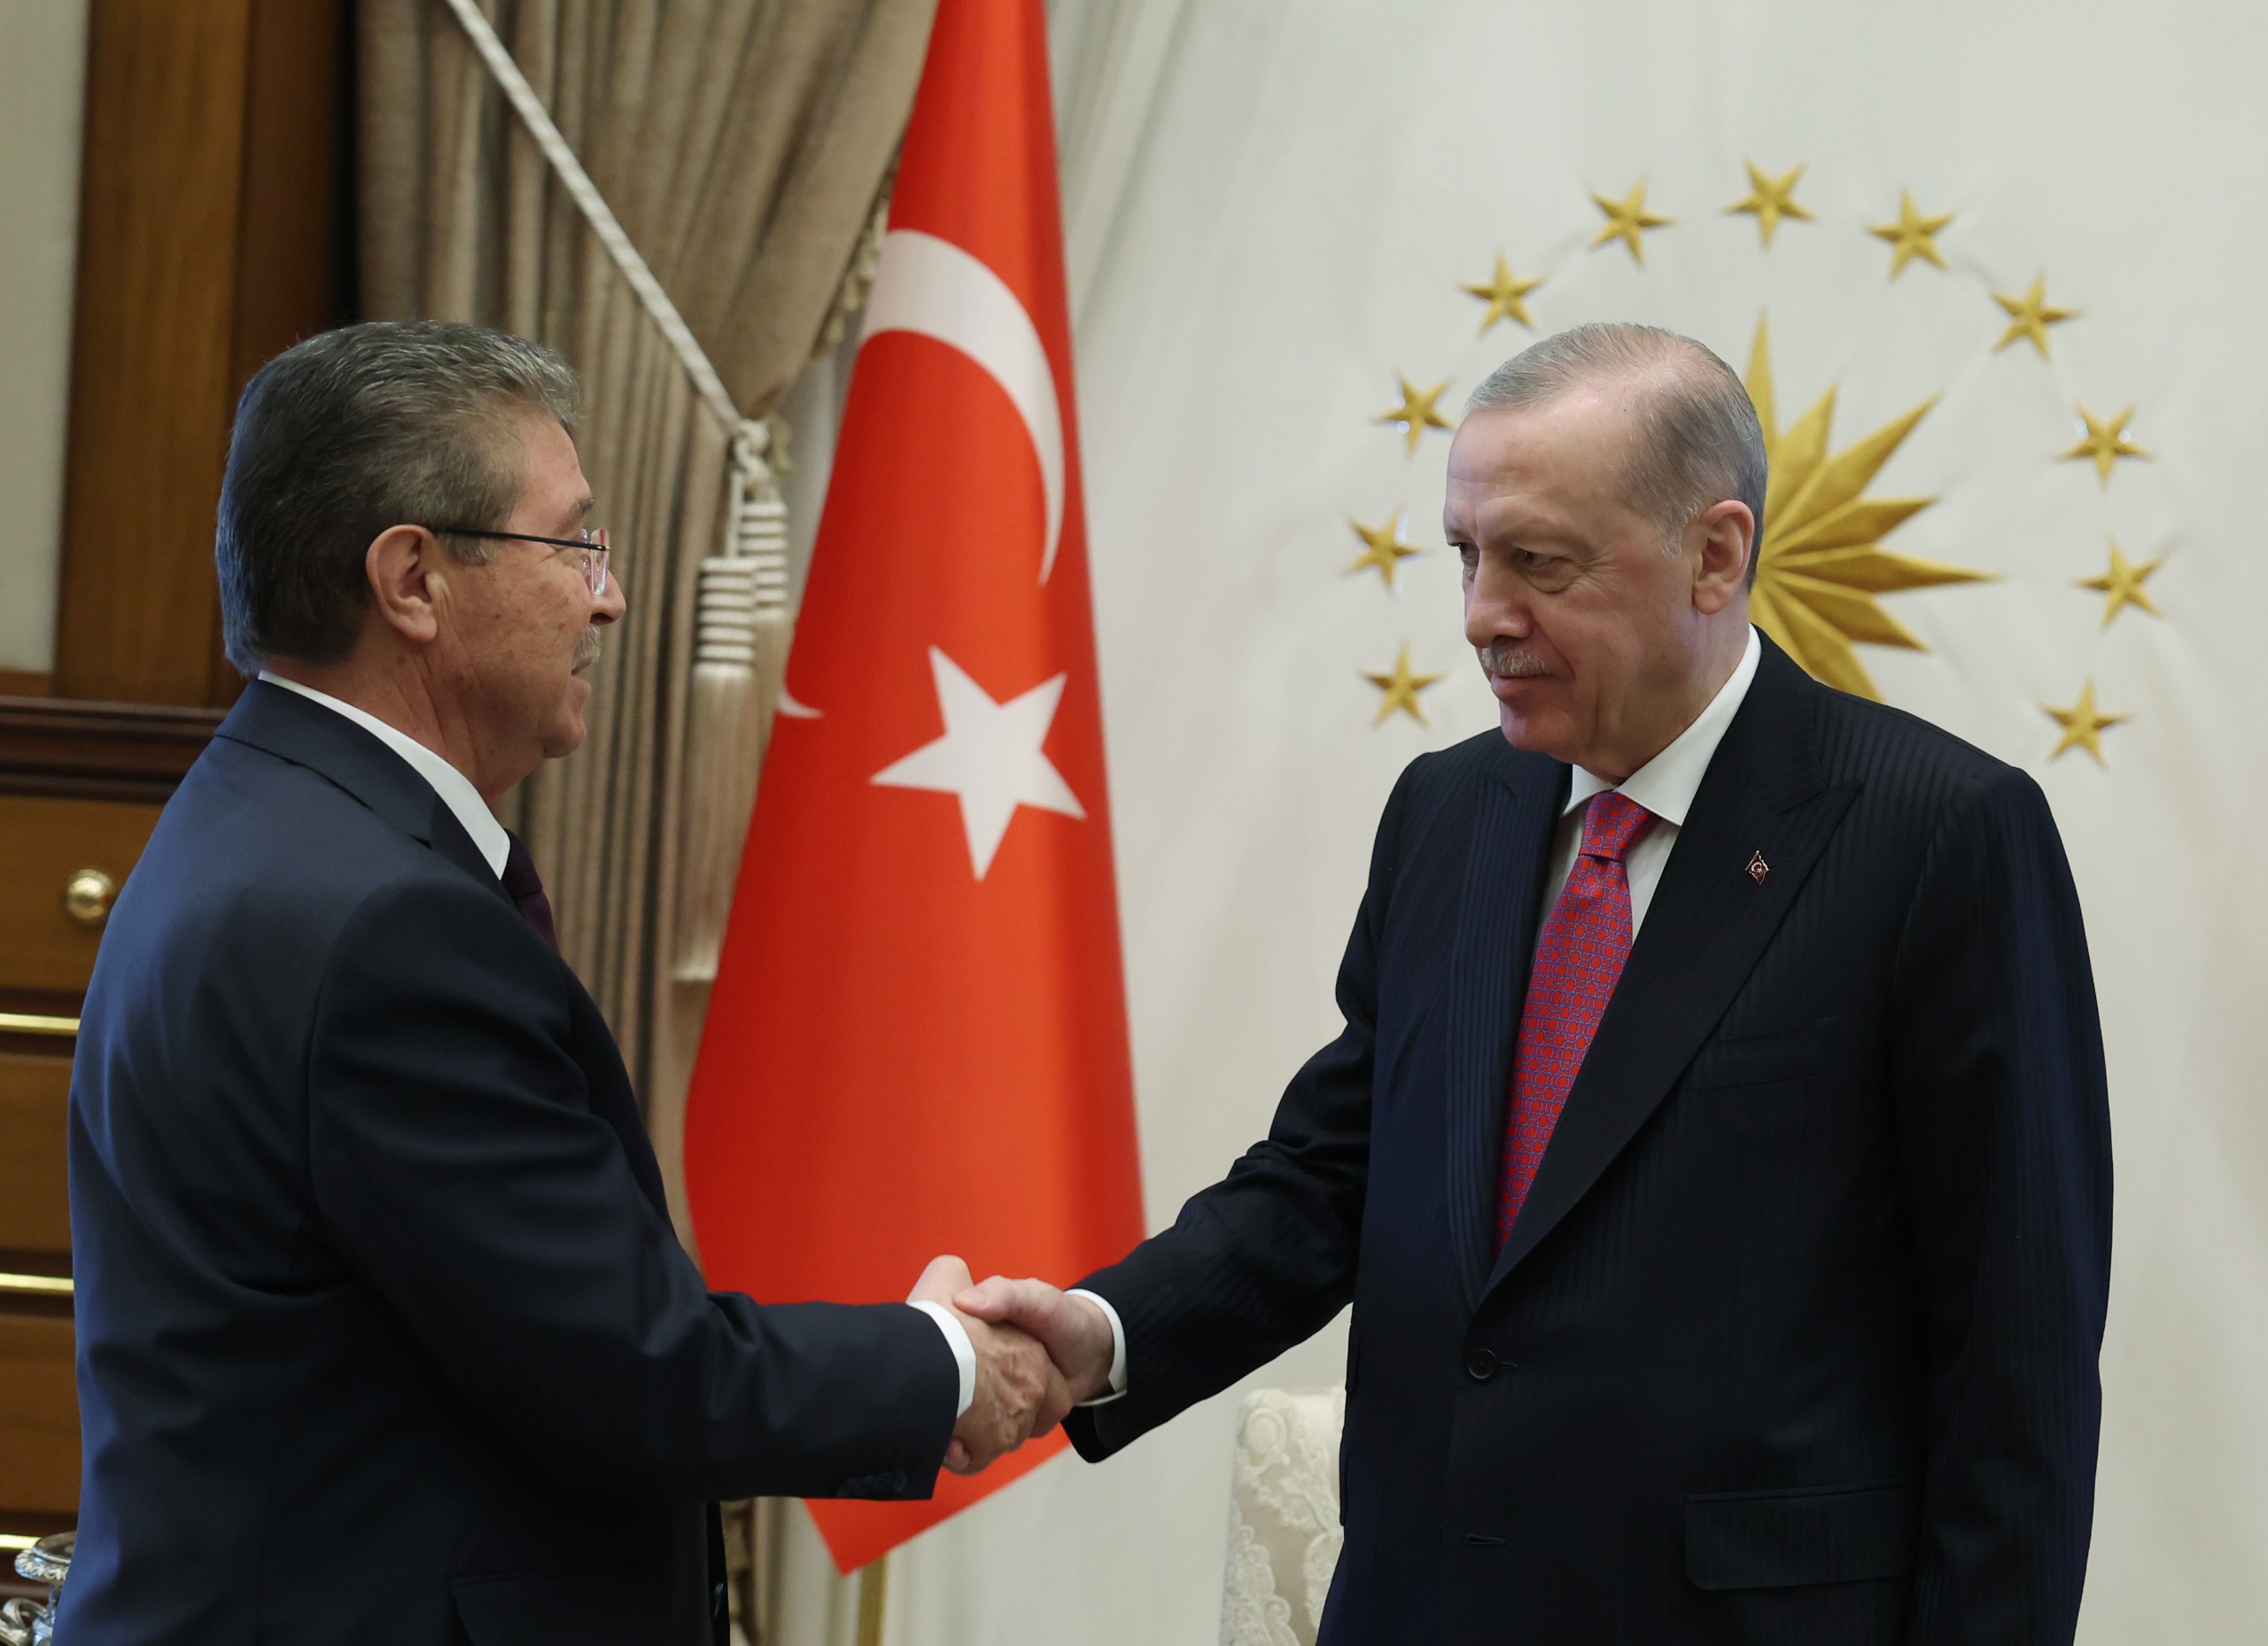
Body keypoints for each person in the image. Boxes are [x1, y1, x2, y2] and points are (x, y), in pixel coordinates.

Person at [963, 323, 2113, 1642]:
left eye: (1538, 563)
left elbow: (2016, 1362)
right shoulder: (1448, 813)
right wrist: (1104, 1330)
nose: (1481, 616)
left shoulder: (1938, 835)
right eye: (1466, 554)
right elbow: (1333, 1176)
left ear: (1716, 554)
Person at [64, 321, 1067, 1646]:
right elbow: (636, 1376)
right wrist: (943, 1362)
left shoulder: (258, 817)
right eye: (572, 543)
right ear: (413, 579)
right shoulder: (384, 925)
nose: (610, 597)